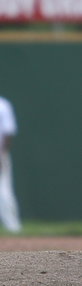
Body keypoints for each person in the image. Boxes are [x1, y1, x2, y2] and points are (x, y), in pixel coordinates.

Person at [0, 95, 22, 233]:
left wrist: (1, 154)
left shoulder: (2, 105)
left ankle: (13, 227)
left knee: (3, 190)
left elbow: (8, 132)